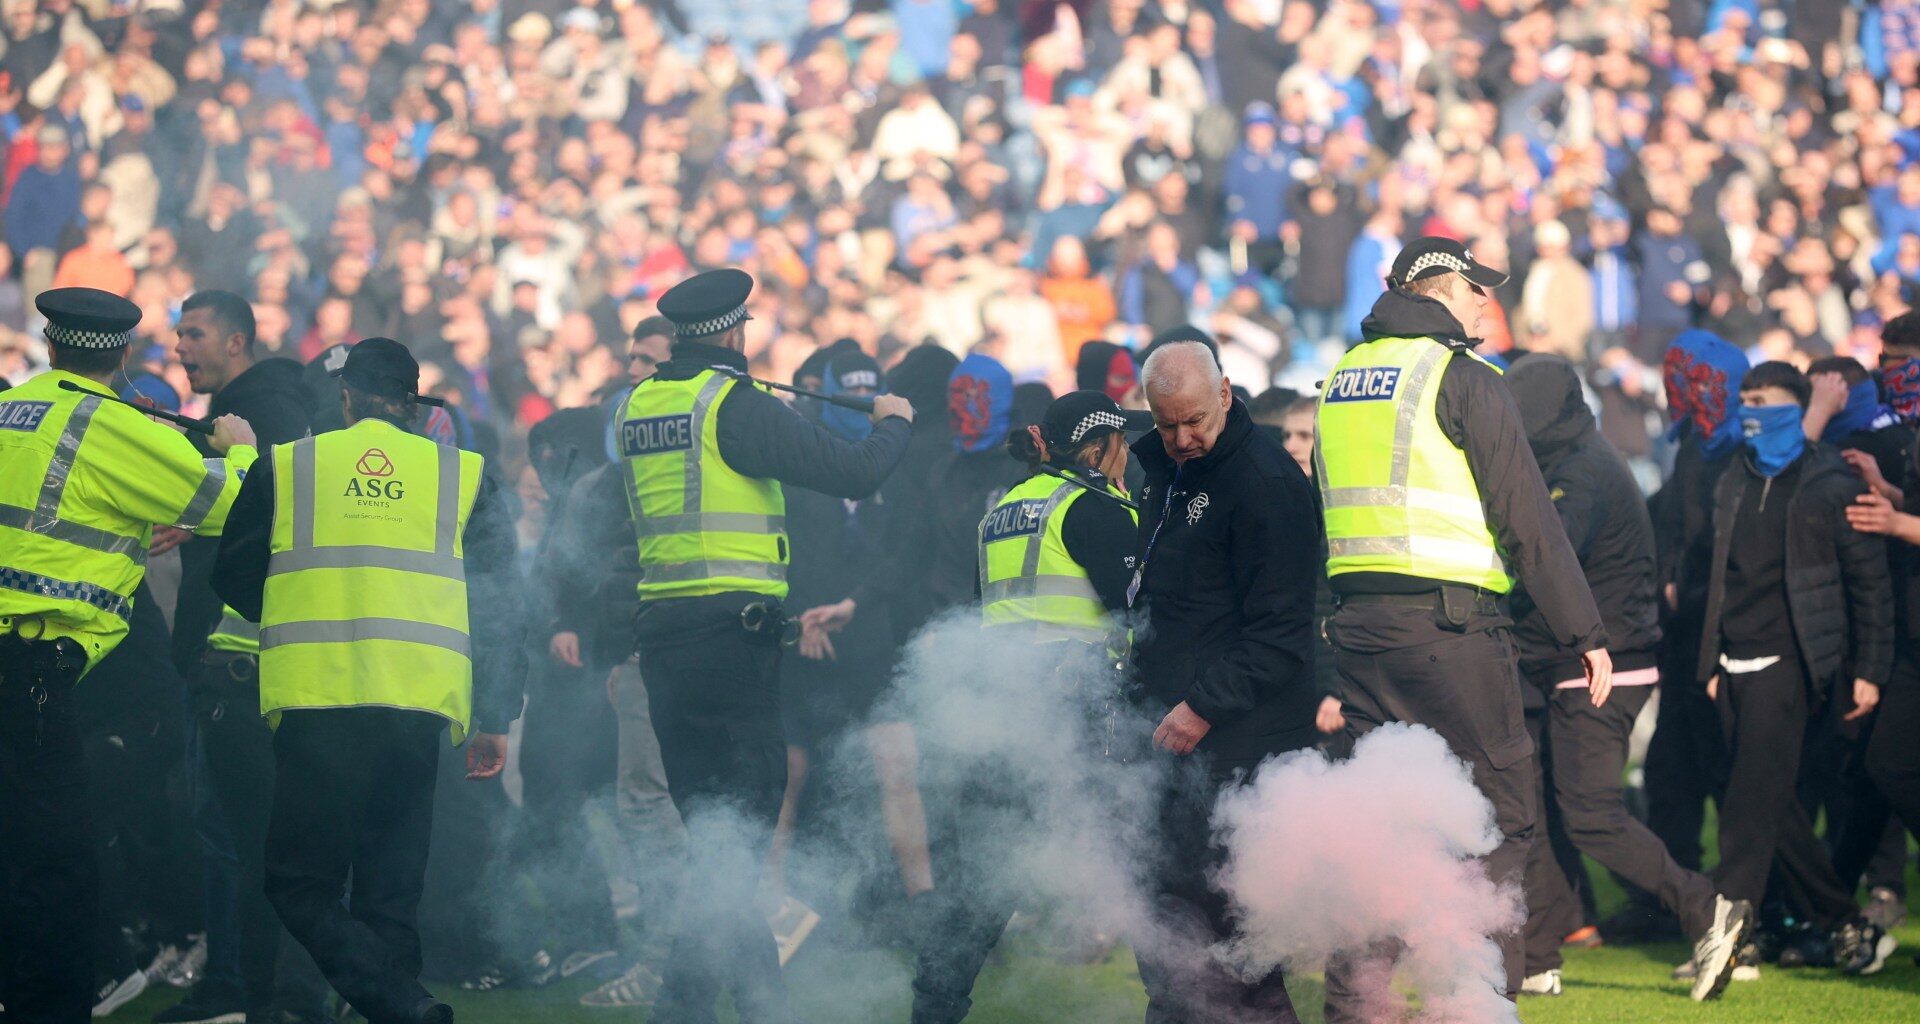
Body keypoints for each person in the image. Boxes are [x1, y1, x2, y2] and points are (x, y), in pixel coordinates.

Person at [1312, 239, 1641, 1016]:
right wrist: (1585, 632)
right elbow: (1528, 520)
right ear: (1441, 289)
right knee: (1498, 827)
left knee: (1378, 836)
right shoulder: (1462, 378)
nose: (1485, 305)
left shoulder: (1337, 383)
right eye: (1475, 291)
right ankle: (1480, 1007)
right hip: (1451, 637)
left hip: (1360, 637)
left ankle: (1355, 1007)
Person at [618, 268, 913, 1024]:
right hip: (730, 646)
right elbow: (852, 468)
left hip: (665, 646)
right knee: (739, 842)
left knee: (718, 842)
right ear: (734, 330)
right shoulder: (732, 404)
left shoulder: (641, 403)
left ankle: (758, 1007)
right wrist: (894, 420)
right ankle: (683, 1012)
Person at [211, 338, 526, 1024]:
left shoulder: (291, 466)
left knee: (298, 884)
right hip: (417, 703)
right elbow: (505, 604)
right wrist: (496, 712)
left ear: (346, 396)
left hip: (319, 700)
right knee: (389, 894)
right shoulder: (464, 474)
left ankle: (402, 1005)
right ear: (414, 406)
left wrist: (303, 609)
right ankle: (401, 1007)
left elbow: (229, 571)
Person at [1, 287, 257, 1024]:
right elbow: (222, 505)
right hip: (44, 673)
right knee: (58, 866)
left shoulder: (11, 410)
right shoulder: (107, 422)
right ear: (121, 354)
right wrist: (237, 451)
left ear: (51, 346)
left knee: (15, 854)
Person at [1505, 354, 1750, 999]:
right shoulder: (1575, 457)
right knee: (1546, 812)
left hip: (1600, 664)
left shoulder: (1580, 474)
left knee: (1588, 814)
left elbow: (1546, 553)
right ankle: (1537, 955)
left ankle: (1705, 909)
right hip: (1575, 661)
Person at [910, 390, 1139, 1024]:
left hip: (1000, 708)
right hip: (1071, 712)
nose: (1129, 456)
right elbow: (1139, 611)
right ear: (1097, 448)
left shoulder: (1005, 508)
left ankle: (933, 1007)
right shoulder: (1092, 507)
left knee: (983, 882)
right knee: (1147, 853)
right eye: (1122, 442)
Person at [1126, 340, 1321, 1022]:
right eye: (1166, 424)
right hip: (1172, 734)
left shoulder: (1266, 483)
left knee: (1239, 953)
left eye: (1195, 423)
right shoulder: (1154, 464)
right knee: (1166, 928)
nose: (1182, 439)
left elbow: (1283, 632)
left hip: (1241, 740)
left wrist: (1203, 706)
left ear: (1227, 395)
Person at [1696, 361, 1896, 977]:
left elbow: (1870, 587)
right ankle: (1847, 924)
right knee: (1770, 802)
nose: (1751, 411)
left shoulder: (1830, 482)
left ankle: (1728, 926)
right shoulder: (1732, 477)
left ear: (1798, 406)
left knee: (1747, 804)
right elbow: (1719, 578)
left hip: (1794, 663)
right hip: (1731, 662)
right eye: (1746, 399)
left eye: (1766, 401)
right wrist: (1710, 660)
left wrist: (1870, 669)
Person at [160, 289, 327, 1024]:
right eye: (177, 334)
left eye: (193, 333)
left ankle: (241, 987)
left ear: (236, 342)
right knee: (232, 834)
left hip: (244, 658)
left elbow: (283, 502)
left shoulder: (264, 409)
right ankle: (248, 986)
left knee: (235, 839)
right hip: (241, 656)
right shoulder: (259, 404)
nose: (179, 347)